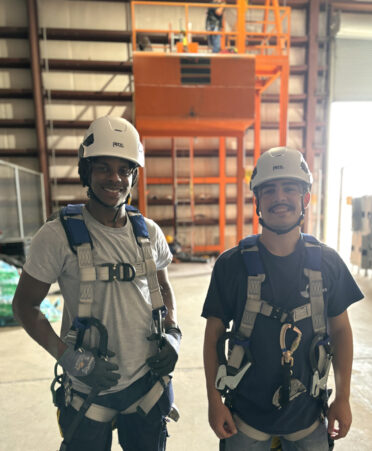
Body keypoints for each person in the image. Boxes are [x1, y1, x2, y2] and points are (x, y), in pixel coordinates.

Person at [12, 116, 181, 451]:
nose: (114, 178)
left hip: (146, 387)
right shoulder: (57, 235)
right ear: (85, 171)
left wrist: (173, 332)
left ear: (134, 175)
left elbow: (162, 286)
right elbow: (24, 306)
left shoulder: (148, 233)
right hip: (86, 393)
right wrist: (69, 358)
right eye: (103, 167)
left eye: (124, 169)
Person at [202, 147, 363, 450]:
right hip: (244, 418)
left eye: (290, 189)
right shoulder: (231, 265)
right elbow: (213, 335)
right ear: (258, 201)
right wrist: (214, 400)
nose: (280, 198)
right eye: (270, 190)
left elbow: (341, 331)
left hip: (310, 417)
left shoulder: (328, 263)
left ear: (305, 199)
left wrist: (342, 397)